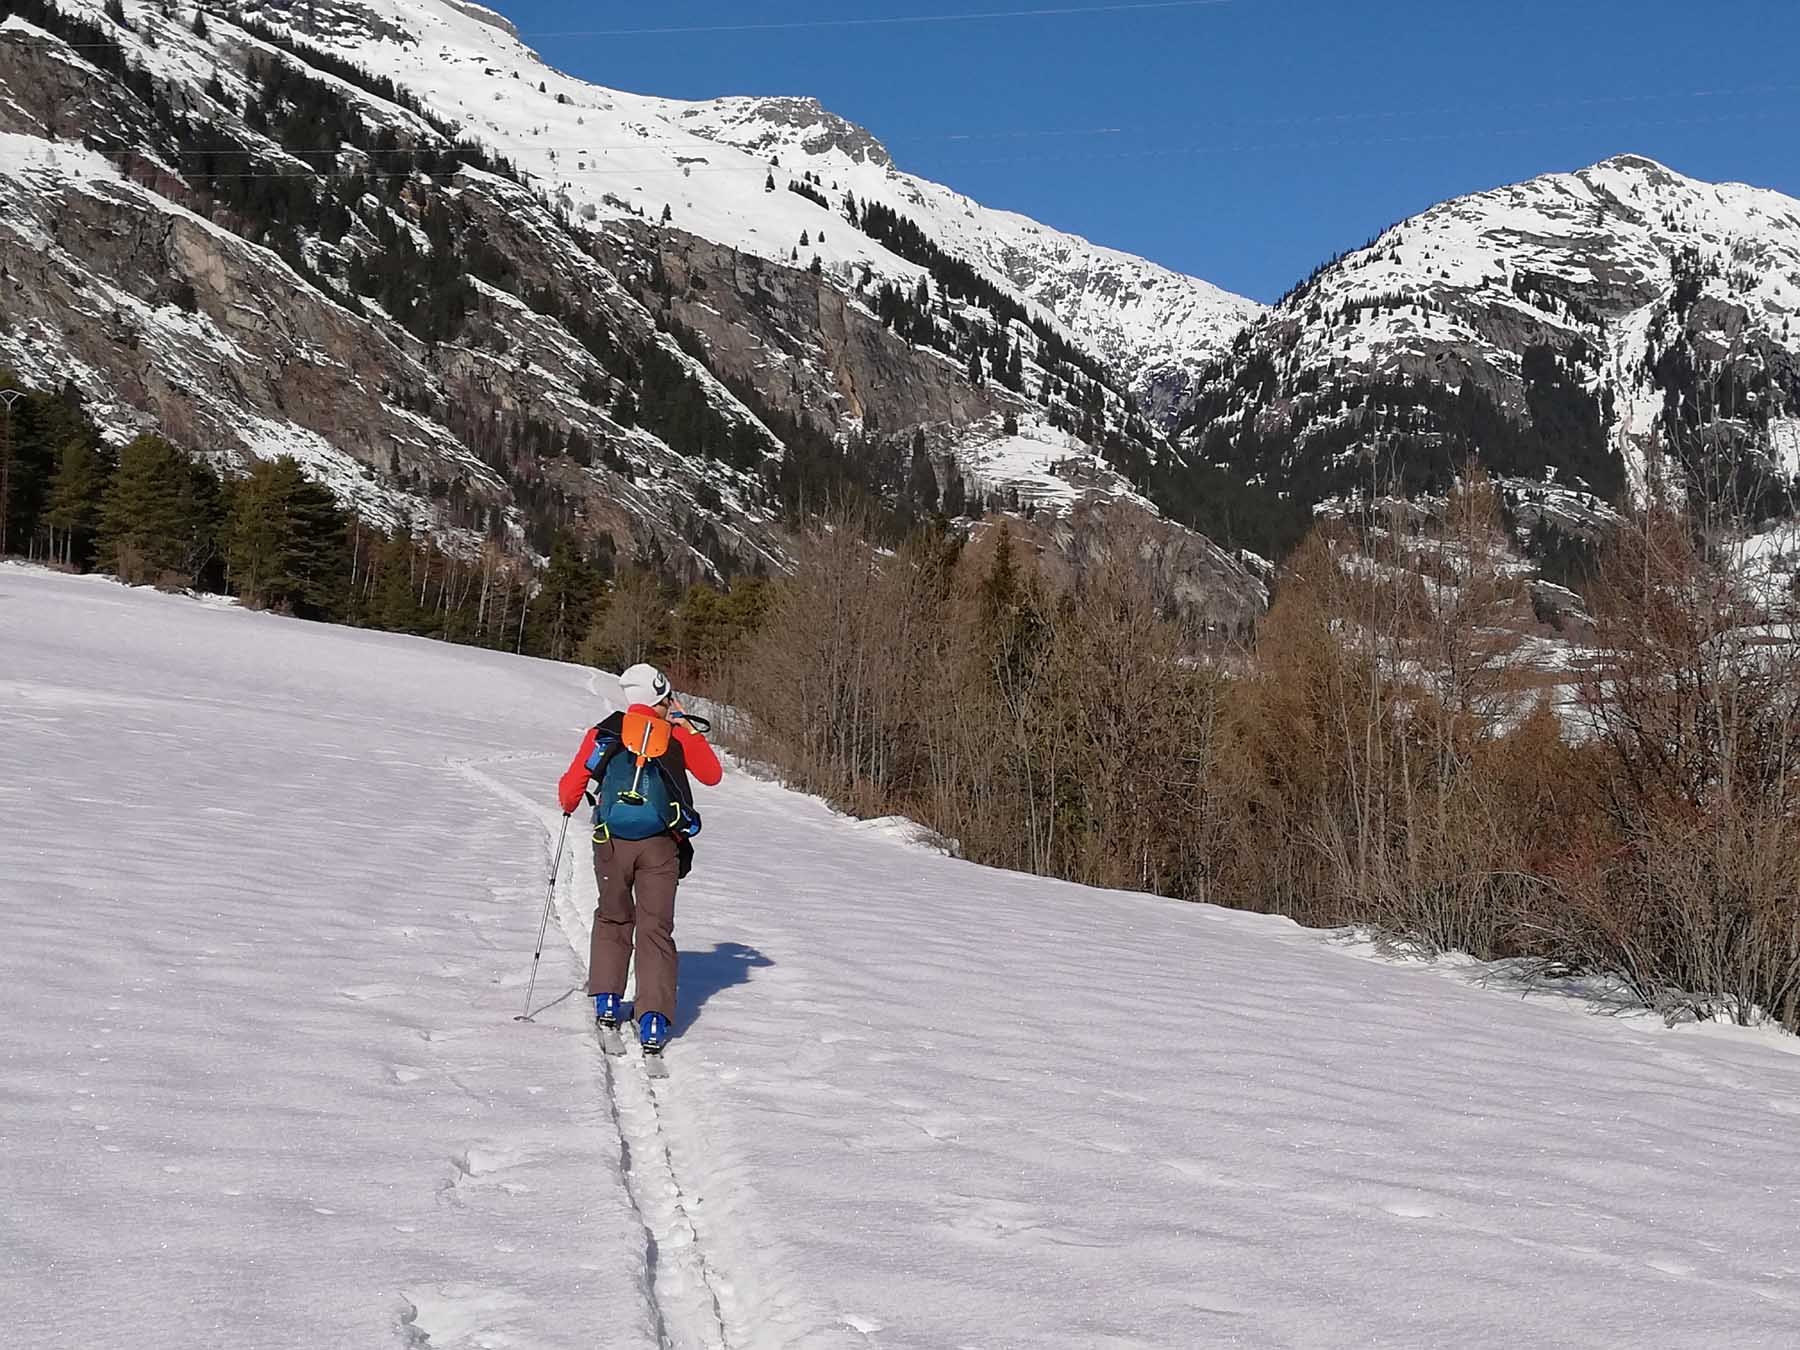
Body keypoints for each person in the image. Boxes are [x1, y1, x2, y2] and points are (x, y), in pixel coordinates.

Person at [556, 663, 722, 1053]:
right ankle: (652, 1019)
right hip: (661, 844)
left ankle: (608, 1000)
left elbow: (569, 791)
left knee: (613, 916)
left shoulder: (607, 730)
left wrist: (572, 806)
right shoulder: (675, 735)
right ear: (664, 698)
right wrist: (684, 724)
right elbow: (712, 775)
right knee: (655, 928)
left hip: (611, 841)